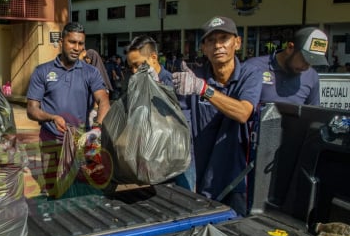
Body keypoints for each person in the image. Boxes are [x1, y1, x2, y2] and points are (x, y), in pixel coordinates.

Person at [172, 16, 262, 216]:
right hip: (202, 177)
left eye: (224, 39)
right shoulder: (194, 77)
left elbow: (243, 112)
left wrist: (204, 89)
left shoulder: (249, 75)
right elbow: (177, 122)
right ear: (203, 48)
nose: (218, 46)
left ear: (237, 43)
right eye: (211, 41)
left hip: (236, 178)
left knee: (237, 232)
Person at [26, 22, 110, 198]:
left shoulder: (90, 72)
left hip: (83, 141)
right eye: (72, 42)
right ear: (61, 41)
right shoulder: (42, 71)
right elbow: (32, 110)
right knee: (54, 190)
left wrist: (97, 128)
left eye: (80, 44)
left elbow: (103, 100)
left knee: (88, 190)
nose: (76, 48)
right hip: (52, 142)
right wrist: (51, 117)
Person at [125, 35, 195, 191]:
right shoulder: (138, 85)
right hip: (153, 157)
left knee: (186, 198)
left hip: (178, 158)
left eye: (138, 65)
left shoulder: (173, 83)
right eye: (131, 67)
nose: (134, 71)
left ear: (153, 58)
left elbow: (182, 123)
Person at [244, 27, 328, 106]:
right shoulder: (253, 67)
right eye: (304, 60)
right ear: (290, 48)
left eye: (311, 62)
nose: (306, 67)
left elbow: (313, 116)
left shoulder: (311, 77)